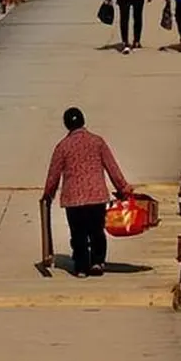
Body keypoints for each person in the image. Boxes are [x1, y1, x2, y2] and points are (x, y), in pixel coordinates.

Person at [42, 107, 133, 278]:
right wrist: (123, 187)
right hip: (96, 196)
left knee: (78, 234)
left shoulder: (62, 147)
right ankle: (97, 262)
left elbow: (53, 174)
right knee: (96, 231)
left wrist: (48, 194)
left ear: (66, 124)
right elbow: (111, 166)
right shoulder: (97, 141)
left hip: (74, 199)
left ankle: (82, 267)